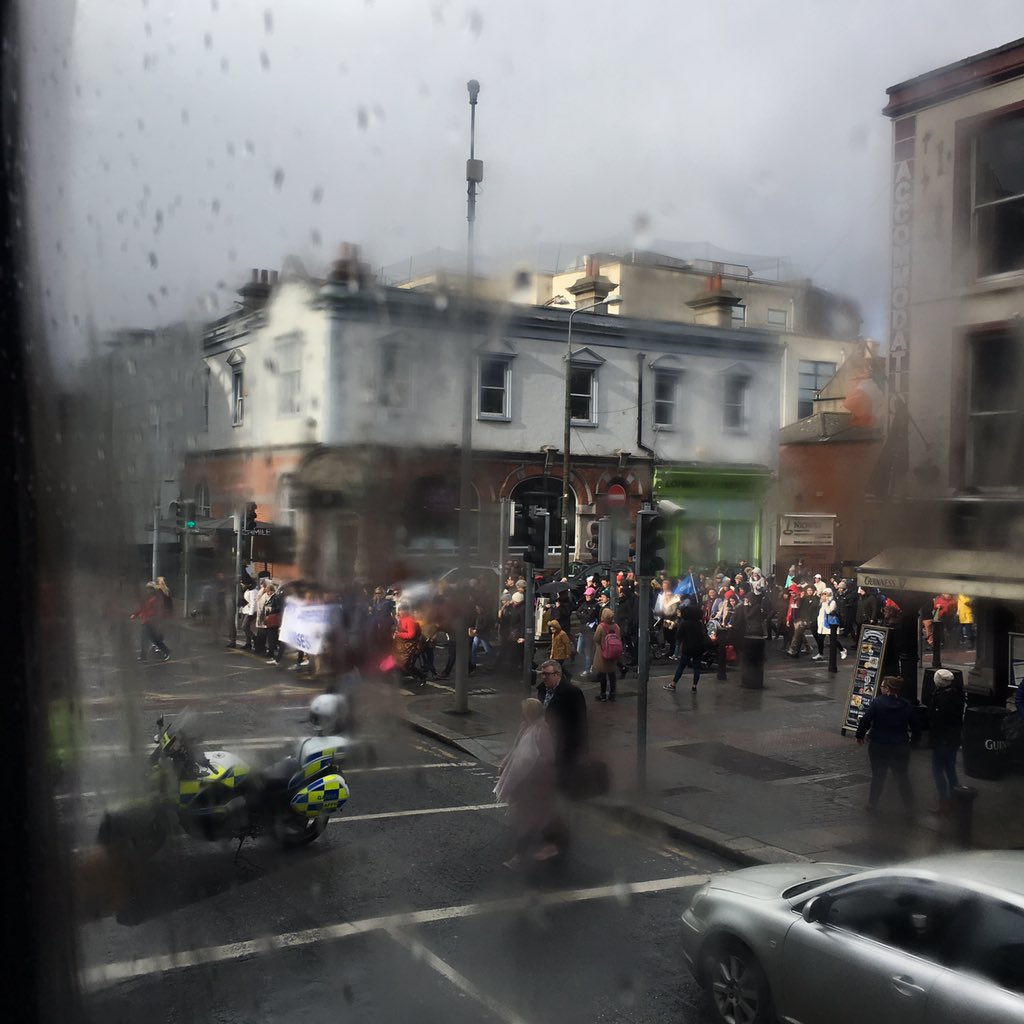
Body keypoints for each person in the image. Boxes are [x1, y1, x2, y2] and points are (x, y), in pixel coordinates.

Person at [494, 697, 557, 867]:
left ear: (530, 712)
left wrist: (531, 764)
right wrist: (505, 763)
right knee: (536, 817)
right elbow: (515, 749)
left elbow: (549, 756)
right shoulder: (525, 727)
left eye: (524, 710)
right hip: (524, 780)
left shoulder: (542, 731)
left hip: (536, 782)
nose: (521, 713)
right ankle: (551, 843)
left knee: (528, 818)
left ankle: (519, 856)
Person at [536, 657, 588, 852]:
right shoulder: (542, 690)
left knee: (560, 796)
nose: (544, 678)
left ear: (557, 675)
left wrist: (583, 752)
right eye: (542, 674)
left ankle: (560, 837)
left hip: (565, 752)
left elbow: (581, 724)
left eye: (547, 675)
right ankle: (548, 832)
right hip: (545, 751)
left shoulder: (572, 693)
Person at [856, 675, 919, 819]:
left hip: (879, 745)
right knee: (902, 777)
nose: (881, 688)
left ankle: (873, 803)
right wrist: (914, 741)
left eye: (882, 686)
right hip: (900, 745)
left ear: (888, 689)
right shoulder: (906, 705)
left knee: (878, 776)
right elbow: (915, 725)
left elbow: (865, 720)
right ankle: (909, 807)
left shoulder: (877, 703)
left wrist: (859, 735)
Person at [927, 668, 965, 815]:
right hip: (954, 738)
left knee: (938, 769)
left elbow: (936, 720)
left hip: (942, 739)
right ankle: (955, 799)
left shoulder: (941, 698)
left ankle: (944, 802)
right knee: (950, 768)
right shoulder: (958, 693)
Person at [664, 602, 707, 692]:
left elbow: (678, 636)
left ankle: (673, 684)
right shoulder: (700, 624)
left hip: (687, 648)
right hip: (698, 648)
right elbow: (704, 634)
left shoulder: (685, 623)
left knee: (681, 667)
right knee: (696, 668)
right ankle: (694, 687)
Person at [130, 582, 170, 662]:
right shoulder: (147, 598)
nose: (148, 590)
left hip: (150, 621)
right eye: (147, 588)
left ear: (153, 589)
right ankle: (166, 651)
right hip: (145, 621)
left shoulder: (156, 599)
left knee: (145, 638)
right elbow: (141, 608)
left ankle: (143, 656)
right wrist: (135, 614)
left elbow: (159, 611)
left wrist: (156, 619)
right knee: (154, 639)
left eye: (150, 588)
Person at [591, 607, 622, 702]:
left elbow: (596, 639)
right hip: (614, 654)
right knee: (612, 675)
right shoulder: (616, 626)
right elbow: (619, 638)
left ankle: (603, 694)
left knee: (603, 675)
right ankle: (612, 694)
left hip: (603, 654)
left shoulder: (601, 627)